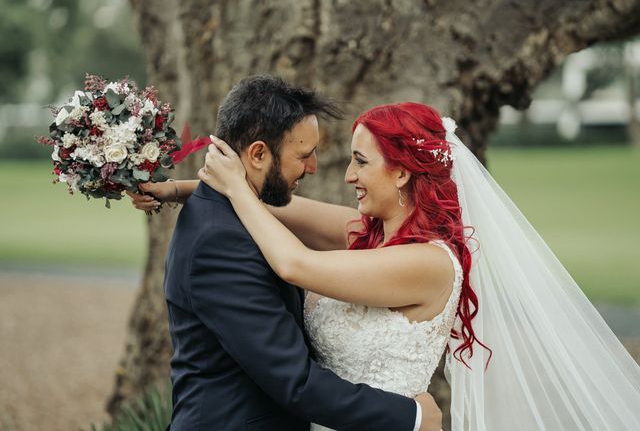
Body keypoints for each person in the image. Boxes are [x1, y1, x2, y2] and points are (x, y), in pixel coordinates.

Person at [136, 100, 640, 429]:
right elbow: (275, 206)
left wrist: (228, 185)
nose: (347, 175)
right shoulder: (369, 237)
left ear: (400, 172)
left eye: (361, 161)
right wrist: (182, 189)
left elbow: (293, 263)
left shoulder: (427, 263)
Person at [141, 77, 442, 431]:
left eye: (360, 162)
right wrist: (413, 418)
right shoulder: (220, 241)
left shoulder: (409, 249)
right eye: (304, 155)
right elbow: (294, 380)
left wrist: (186, 188)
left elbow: (294, 220)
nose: (317, 167)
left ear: (403, 173)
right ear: (257, 154)